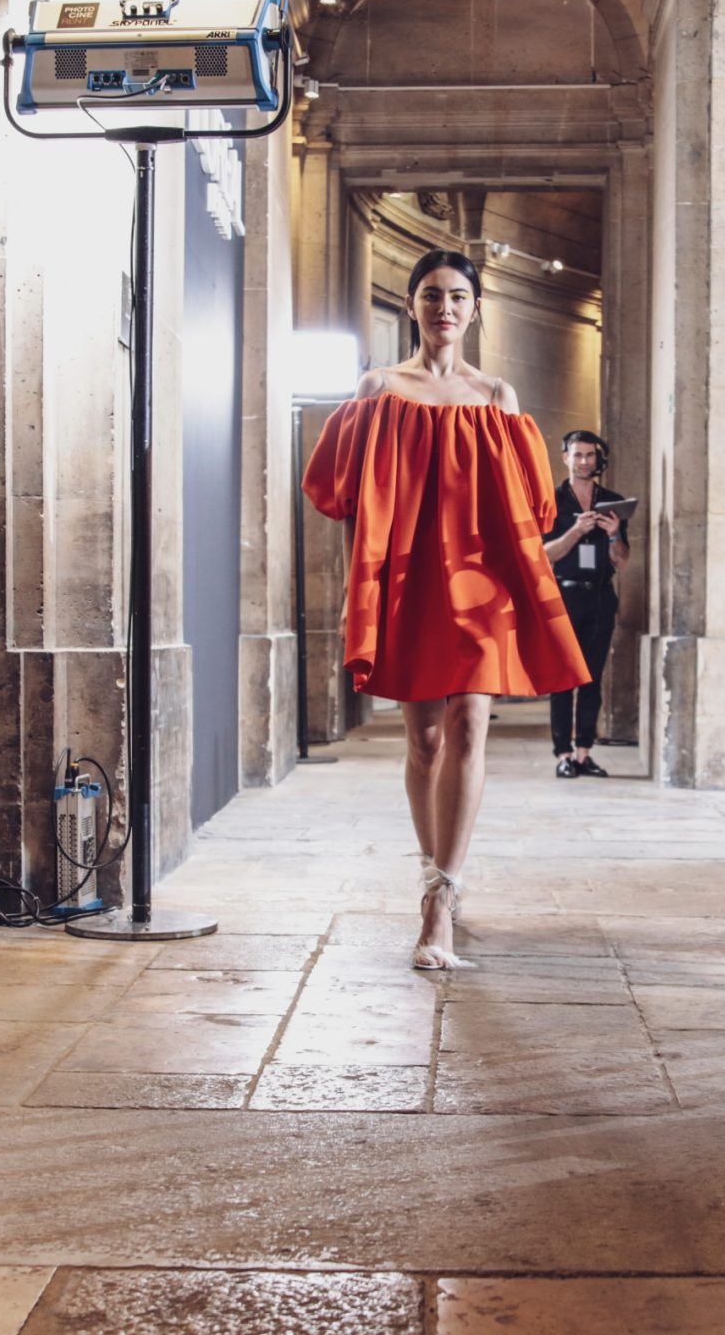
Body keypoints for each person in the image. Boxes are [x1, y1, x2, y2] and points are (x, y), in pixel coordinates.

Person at [301, 249, 590, 970]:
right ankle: (437, 875)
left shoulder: (498, 397)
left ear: (476, 309)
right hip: (410, 586)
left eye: (459, 296)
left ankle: (441, 904)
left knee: (469, 724)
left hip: (483, 588)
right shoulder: (376, 389)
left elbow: (528, 515)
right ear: (412, 305)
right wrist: (357, 596)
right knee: (423, 740)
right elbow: (346, 508)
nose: (445, 308)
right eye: (432, 295)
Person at [540, 430, 627, 776]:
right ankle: (562, 755)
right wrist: (576, 531)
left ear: (598, 459)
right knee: (563, 677)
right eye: (577, 455)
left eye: (590, 455)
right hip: (563, 593)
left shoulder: (612, 500)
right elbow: (545, 556)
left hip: (601, 595)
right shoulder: (552, 501)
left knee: (592, 676)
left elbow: (621, 560)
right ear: (566, 458)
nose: (584, 461)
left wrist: (614, 533)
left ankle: (582, 753)